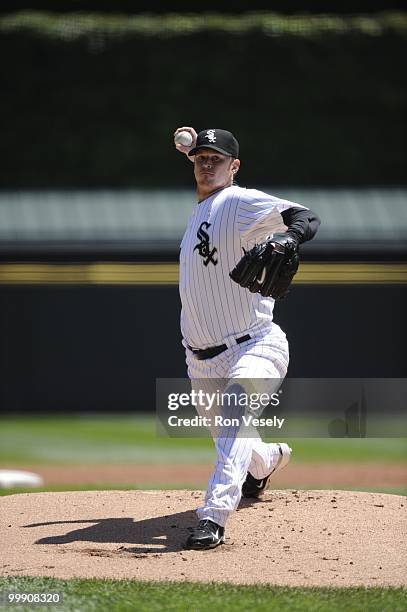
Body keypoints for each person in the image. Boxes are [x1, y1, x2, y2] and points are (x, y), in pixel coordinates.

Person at [174, 126, 320, 550]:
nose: (206, 163)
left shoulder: (236, 200)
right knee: (234, 440)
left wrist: (289, 237)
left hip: (255, 344)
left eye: (216, 158)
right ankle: (268, 461)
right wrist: (194, 145)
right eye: (200, 157)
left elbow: (305, 217)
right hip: (200, 361)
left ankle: (214, 517)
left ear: (233, 167)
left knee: (236, 415)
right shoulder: (198, 213)